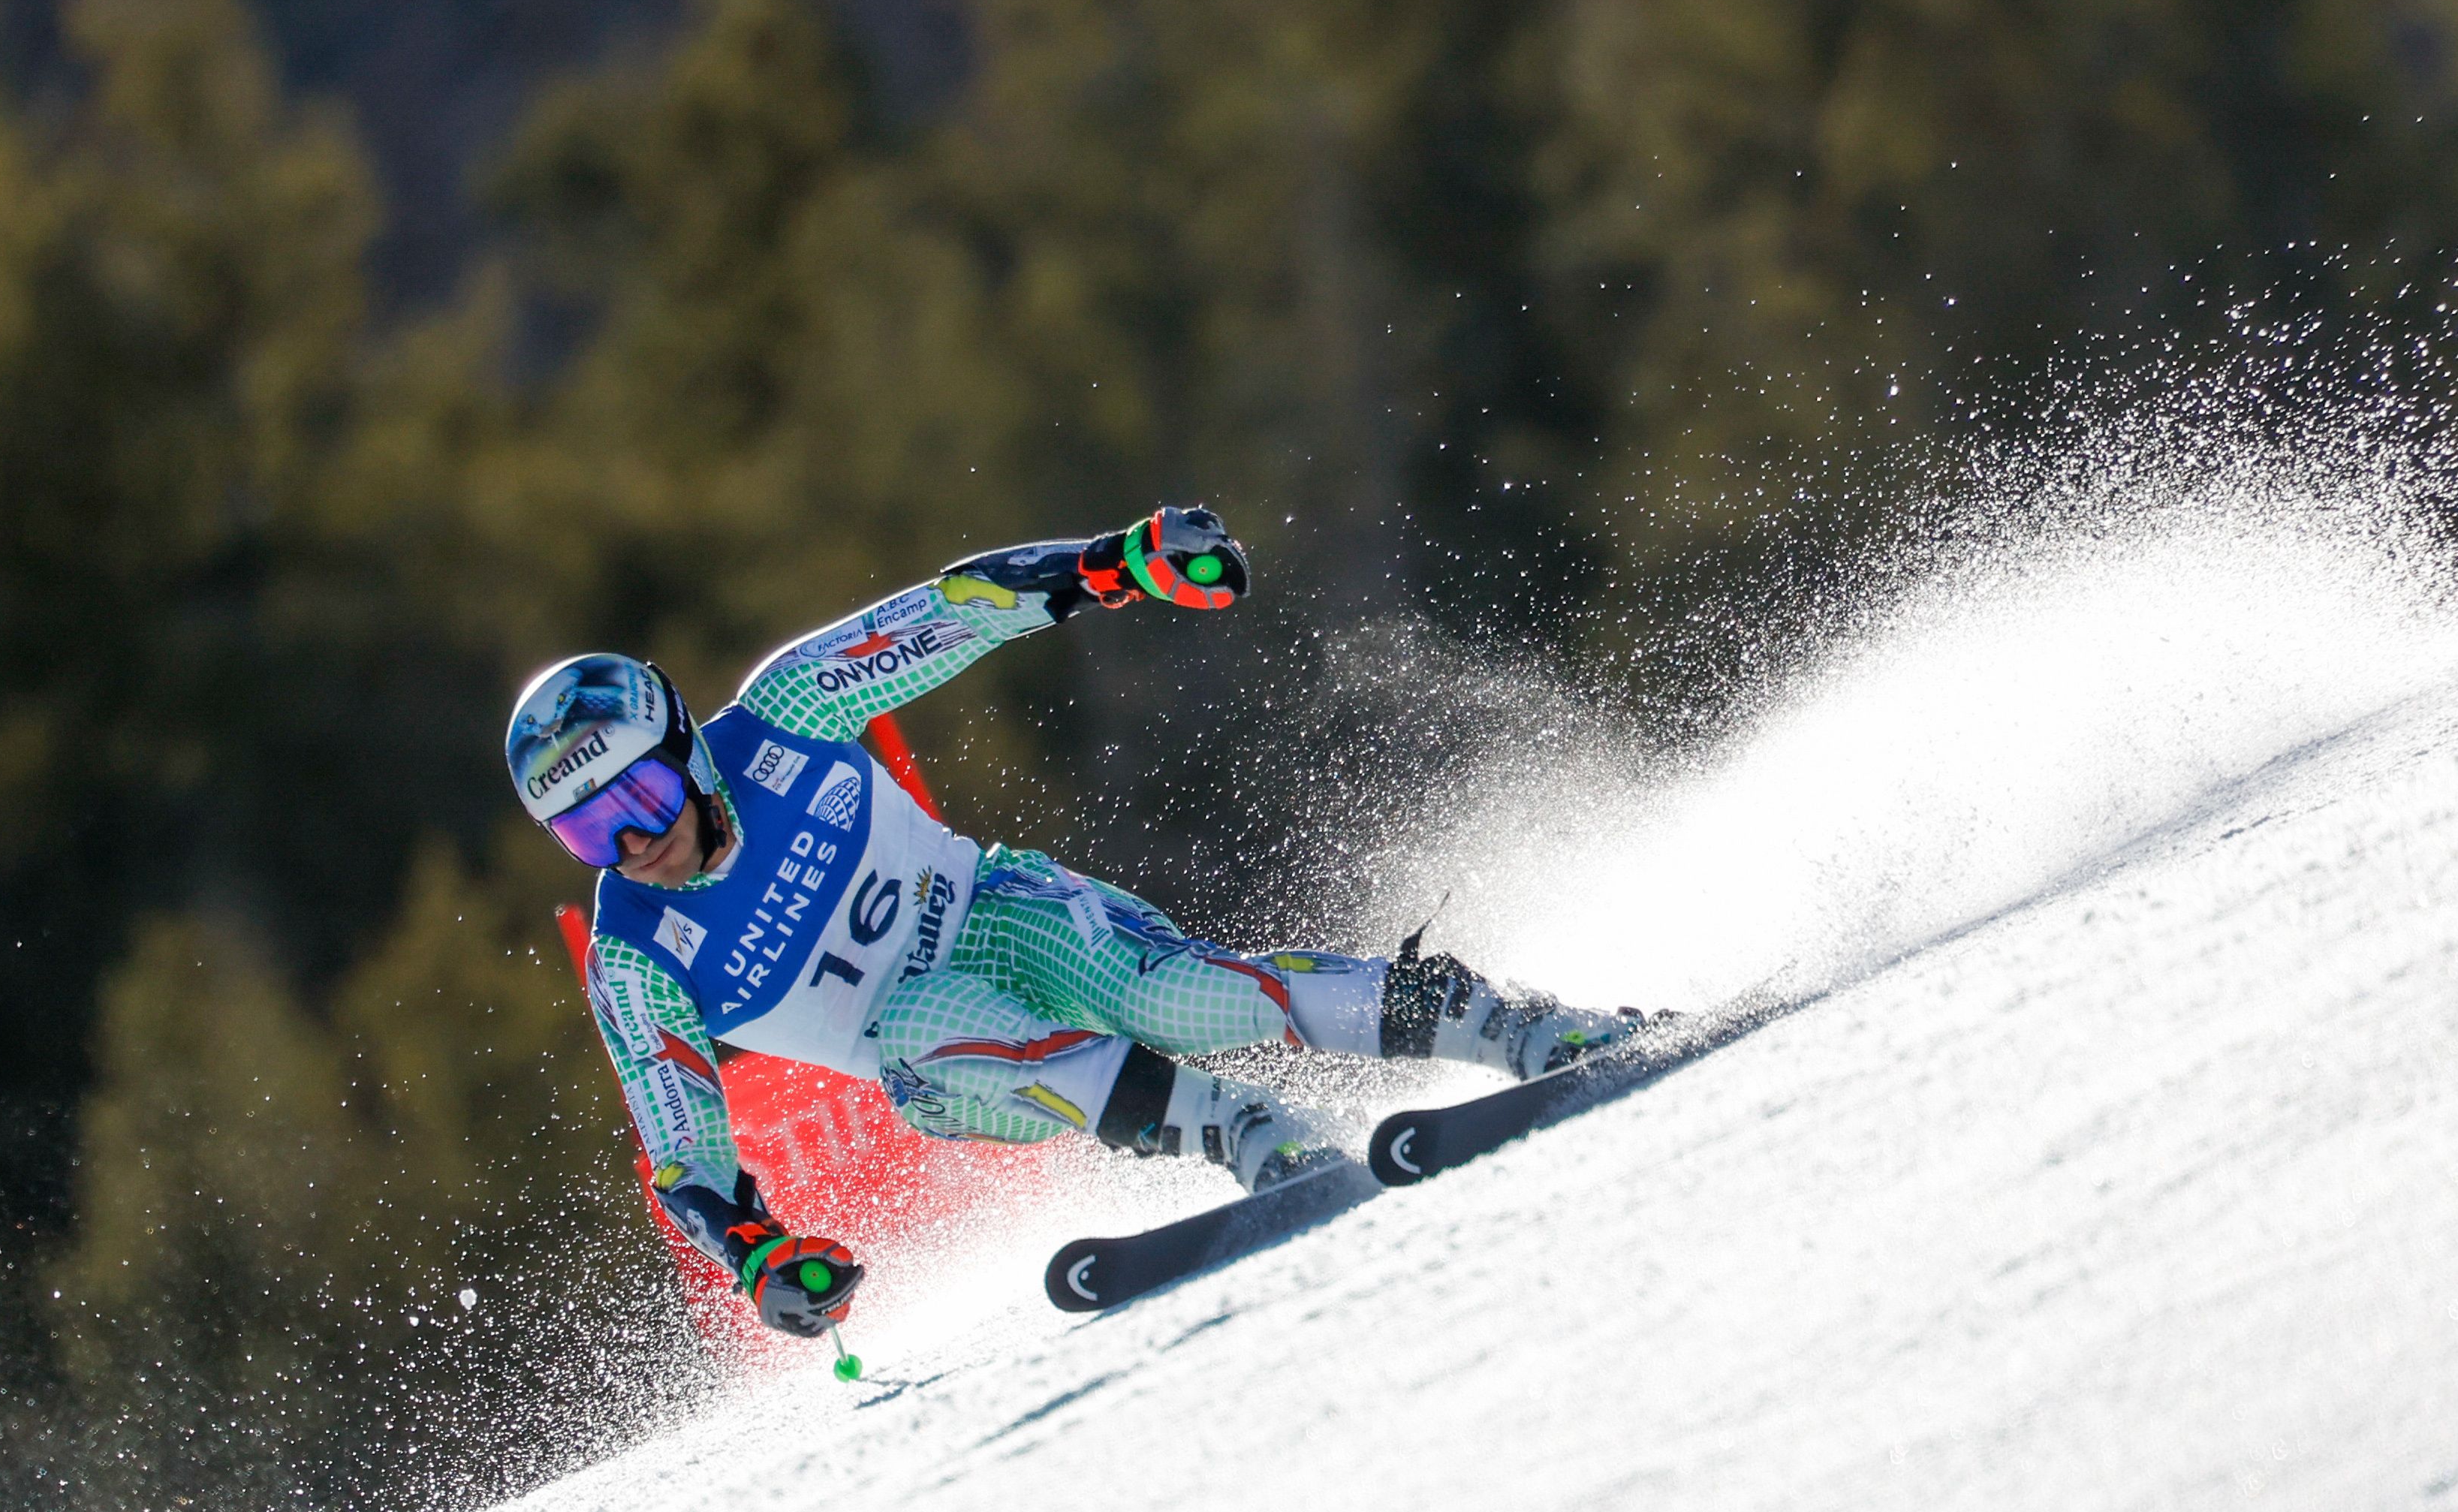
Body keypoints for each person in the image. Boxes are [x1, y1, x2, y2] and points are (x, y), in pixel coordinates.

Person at [505, 508, 1652, 1339]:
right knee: (932, 1030)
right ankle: (1246, 1134)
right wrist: (760, 1261)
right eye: (587, 832)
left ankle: (1509, 1027)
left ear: (684, 751)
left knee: (1178, 996)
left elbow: (956, 611)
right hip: (928, 1048)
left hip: (995, 912)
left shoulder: (787, 714)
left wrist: (1121, 565)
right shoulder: (637, 959)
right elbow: (683, 1153)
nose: (633, 842)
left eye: (641, 798)